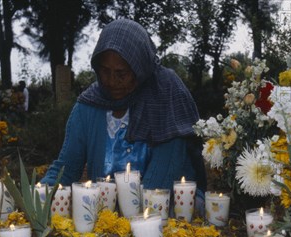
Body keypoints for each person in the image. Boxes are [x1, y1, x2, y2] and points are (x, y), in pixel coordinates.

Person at [40, 18, 207, 206]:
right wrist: (38, 197)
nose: (112, 81)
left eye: (122, 74)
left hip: (169, 208)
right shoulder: (89, 106)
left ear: (140, 68)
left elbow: (162, 177)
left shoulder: (165, 95)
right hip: (108, 218)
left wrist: (134, 221)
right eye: (105, 71)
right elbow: (66, 168)